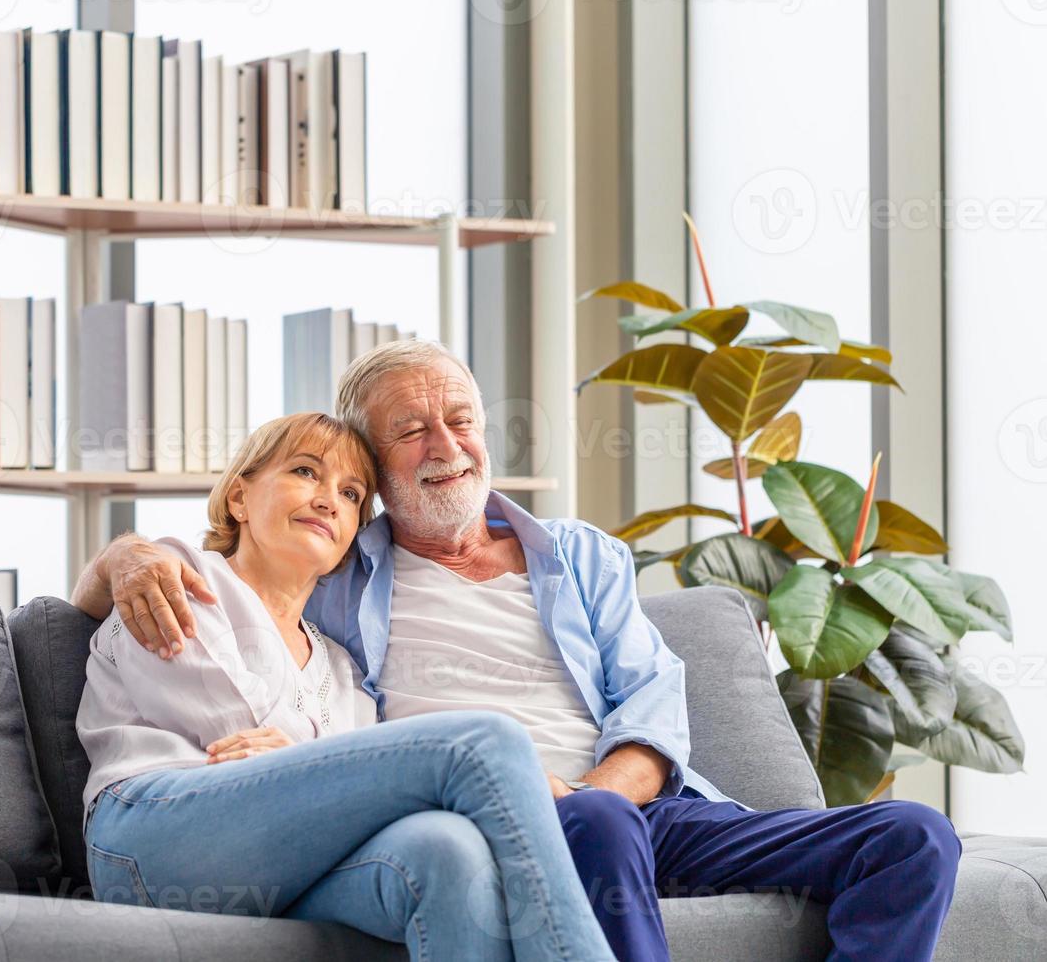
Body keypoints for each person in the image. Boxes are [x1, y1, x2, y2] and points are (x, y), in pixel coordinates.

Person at [75, 341, 964, 962]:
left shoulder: (581, 557)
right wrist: (124, 554)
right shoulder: (337, 567)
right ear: (379, 473)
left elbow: (651, 700)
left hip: (636, 809)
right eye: (411, 433)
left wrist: (596, 795)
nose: (447, 446)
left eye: (461, 420)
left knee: (913, 836)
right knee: (590, 824)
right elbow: (218, 586)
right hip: (503, 817)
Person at [76, 411, 615, 962]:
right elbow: (230, 725)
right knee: (488, 744)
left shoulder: (340, 666)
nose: (329, 499)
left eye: (352, 493)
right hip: (150, 836)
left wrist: (307, 764)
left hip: (280, 861)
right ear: (239, 499)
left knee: (447, 853)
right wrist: (315, 763)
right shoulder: (178, 576)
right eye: (306, 472)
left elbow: (349, 793)